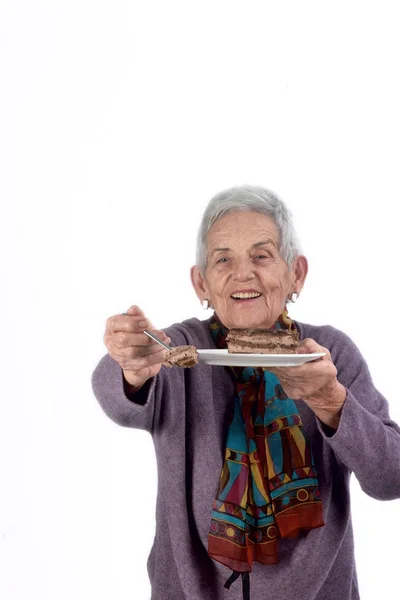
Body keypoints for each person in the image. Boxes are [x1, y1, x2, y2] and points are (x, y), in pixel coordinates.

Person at [91, 185, 400, 600]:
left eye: (261, 255)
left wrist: (331, 402)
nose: (243, 273)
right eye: (223, 259)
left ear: (296, 273)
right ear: (201, 283)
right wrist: (130, 363)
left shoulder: (330, 354)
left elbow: (390, 477)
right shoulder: (183, 350)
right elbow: (116, 396)